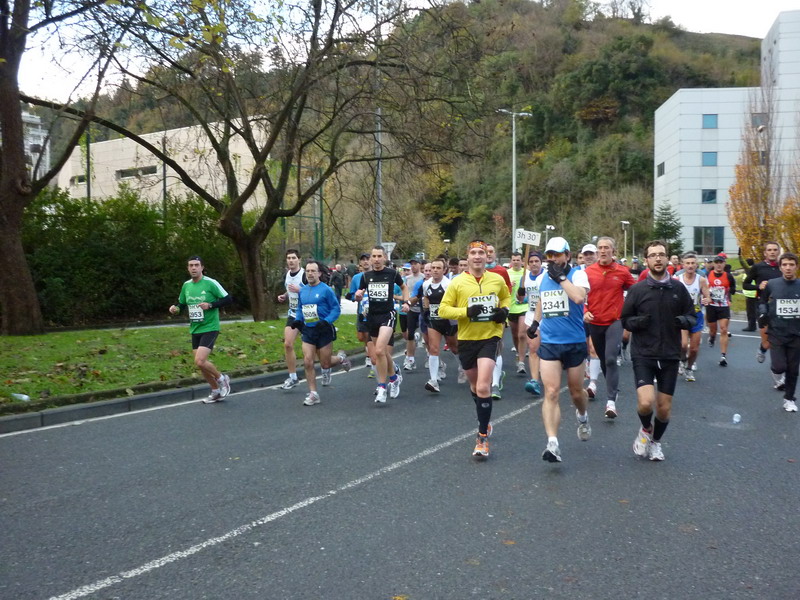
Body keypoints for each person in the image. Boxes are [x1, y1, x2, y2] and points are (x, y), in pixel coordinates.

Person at [621, 241, 696, 461]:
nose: (658, 258)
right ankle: (646, 429)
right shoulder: (637, 290)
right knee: (645, 402)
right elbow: (625, 320)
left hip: (670, 354)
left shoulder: (678, 289)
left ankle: (655, 442)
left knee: (663, 408)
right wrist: (639, 322)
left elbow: (692, 316)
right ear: (647, 260)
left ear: (667, 258)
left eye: (661, 254)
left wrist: (683, 321)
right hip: (644, 353)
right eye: (653, 255)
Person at [439, 240, 510, 459]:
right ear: (467, 257)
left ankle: (482, 437)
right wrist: (466, 312)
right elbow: (443, 310)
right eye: (473, 253)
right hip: (467, 339)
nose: (478, 256)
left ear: (487, 257)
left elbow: (506, 297)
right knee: (474, 385)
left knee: (483, 386)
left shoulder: (497, 279)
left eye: (481, 253)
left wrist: (504, 311)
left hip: (490, 337)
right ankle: (484, 419)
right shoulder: (457, 282)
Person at [528, 237, 592, 463]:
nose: (553, 259)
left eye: (557, 254)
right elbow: (541, 300)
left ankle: (582, 416)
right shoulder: (544, 277)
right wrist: (535, 323)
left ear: (567, 255)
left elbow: (578, 297)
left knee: (576, 392)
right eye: (550, 255)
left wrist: (562, 278)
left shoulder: (578, 275)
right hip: (550, 342)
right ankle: (552, 443)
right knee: (552, 391)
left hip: (574, 341)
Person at [169, 256, 233, 403]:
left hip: (210, 327)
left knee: (200, 361)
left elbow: (228, 299)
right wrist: (175, 309)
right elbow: (181, 303)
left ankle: (222, 379)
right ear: (188, 268)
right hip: (195, 328)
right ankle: (215, 390)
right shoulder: (186, 285)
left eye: (196, 265)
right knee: (201, 365)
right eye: (191, 265)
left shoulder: (211, 283)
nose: (193, 268)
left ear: (202, 267)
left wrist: (210, 305)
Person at [584, 236, 635, 419]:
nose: (603, 251)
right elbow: (581, 296)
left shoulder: (622, 271)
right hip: (595, 321)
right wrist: (585, 311)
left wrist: (629, 312)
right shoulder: (588, 272)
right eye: (600, 248)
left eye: (606, 247)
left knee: (611, 358)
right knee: (605, 360)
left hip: (615, 321)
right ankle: (612, 389)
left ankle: (611, 401)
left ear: (613, 251)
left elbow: (635, 291)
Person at [291, 261, 352, 405]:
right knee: (308, 361)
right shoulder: (303, 291)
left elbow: (336, 309)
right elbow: (300, 308)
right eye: (308, 271)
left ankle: (341, 359)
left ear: (319, 273)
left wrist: (326, 321)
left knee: (325, 364)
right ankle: (313, 394)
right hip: (308, 331)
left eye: (313, 271)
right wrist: (298, 320)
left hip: (324, 330)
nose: (310, 274)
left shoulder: (326, 290)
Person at [355, 246, 408, 404]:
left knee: (379, 351)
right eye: (374, 256)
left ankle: (382, 387)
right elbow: (360, 292)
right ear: (371, 258)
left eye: (379, 256)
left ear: (384, 257)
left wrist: (406, 302)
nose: (377, 259)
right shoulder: (366, 276)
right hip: (372, 316)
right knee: (383, 352)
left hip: (388, 314)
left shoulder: (392, 273)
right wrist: (358, 295)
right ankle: (394, 378)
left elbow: (404, 287)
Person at [759, 252, 800, 411]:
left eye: (791, 265)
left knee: (793, 369)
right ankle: (776, 374)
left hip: (796, 333)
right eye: (785, 265)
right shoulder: (772, 284)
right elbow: (762, 302)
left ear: (796, 267)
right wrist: (763, 313)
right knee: (779, 366)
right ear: (780, 267)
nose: (788, 268)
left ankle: (789, 399)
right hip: (776, 332)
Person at [419, 257, 459, 392]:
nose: (435, 270)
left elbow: (455, 302)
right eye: (433, 268)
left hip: (449, 321)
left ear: (444, 270)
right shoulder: (426, 284)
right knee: (433, 348)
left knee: (454, 347)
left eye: (438, 268)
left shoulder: (449, 284)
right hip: (434, 320)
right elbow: (426, 297)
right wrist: (426, 310)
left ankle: (463, 366)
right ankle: (433, 380)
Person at [744, 242, 782, 364]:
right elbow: (745, 284)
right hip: (763, 305)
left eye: (775, 250)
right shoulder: (758, 267)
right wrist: (758, 286)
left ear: (778, 252)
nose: (772, 252)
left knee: (780, 339)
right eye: (769, 250)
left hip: (780, 306)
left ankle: (778, 366)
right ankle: (762, 348)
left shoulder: (784, 267)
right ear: (765, 253)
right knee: (767, 342)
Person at [675, 252, 711, 382]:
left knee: (694, 349)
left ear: (696, 265)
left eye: (692, 263)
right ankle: (682, 360)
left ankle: (689, 368)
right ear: (683, 265)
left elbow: (708, 296)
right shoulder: (677, 279)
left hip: (696, 315)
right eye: (688, 263)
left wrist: (707, 300)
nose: (690, 266)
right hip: (682, 316)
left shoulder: (701, 280)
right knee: (683, 345)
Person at [277, 249, 307, 390]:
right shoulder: (287, 274)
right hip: (294, 314)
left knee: (316, 350)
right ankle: (293, 377)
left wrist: (299, 290)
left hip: (308, 315)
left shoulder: (305, 275)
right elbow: (290, 289)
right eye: (288, 258)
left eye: (293, 258)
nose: (291, 260)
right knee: (288, 344)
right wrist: (285, 295)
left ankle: (330, 365)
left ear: (299, 259)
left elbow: (314, 291)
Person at [516, 251, 545, 396]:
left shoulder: (546, 276)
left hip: (547, 316)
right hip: (531, 315)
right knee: (533, 348)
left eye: (536, 261)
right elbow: (520, 299)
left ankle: (549, 373)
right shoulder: (524, 277)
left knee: (548, 348)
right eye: (531, 262)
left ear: (541, 262)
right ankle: (535, 381)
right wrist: (520, 292)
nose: (534, 264)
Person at [485, 243, 512, 399]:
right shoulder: (473, 271)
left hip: (497, 314)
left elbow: (507, 291)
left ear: (495, 254)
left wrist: (503, 308)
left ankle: (495, 384)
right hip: (479, 317)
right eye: (486, 252)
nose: (488, 254)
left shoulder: (501, 271)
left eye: (491, 251)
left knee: (496, 345)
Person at [345, 253, 376, 377]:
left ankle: (371, 359)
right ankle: (369, 353)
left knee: (371, 337)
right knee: (361, 337)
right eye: (363, 260)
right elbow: (352, 294)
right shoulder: (356, 278)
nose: (365, 262)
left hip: (375, 312)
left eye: (367, 259)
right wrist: (356, 297)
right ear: (360, 263)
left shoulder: (377, 275)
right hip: (362, 311)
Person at [706, 253, 736, 366]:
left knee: (723, 329)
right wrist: (707, 294)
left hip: (723, 306)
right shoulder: (708, 274)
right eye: (717, 263)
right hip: (711, 306)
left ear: (724, 264)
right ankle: (712, 337)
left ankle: (723, 356)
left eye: (721, 263)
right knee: (713, 330)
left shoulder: (728, 276)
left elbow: (733, 288)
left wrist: (729, 292)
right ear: (714, 264)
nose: (719, 265)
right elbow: (703, 287)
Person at [507, 251, 528, 375]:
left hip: (524, 306)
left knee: (521, 334)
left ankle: (521, 362)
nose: (515, 262)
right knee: (515, 335)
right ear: (511, 261)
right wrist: (509, 286)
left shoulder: (526, 273)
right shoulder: (507, 273)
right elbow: (502, 290)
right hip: (511, 307)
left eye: (518, 260)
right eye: (513, 260)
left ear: (522, 261)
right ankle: (518, 353)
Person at [741, 257, 757, 331]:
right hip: (751, 293)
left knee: (751, 312)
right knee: (753, 311)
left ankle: (751, 326)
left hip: (751, 294)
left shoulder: (750, 271)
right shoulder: (753, 270)